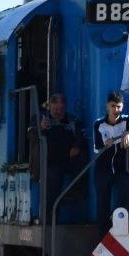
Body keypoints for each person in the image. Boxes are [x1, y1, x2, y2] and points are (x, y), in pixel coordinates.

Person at [92, 91, 129, 233]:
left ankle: (117, 221)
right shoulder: (99, 124)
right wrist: (107, 144)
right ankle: (102, 234)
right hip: (103, 168)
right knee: (102, 202)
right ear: (107, 106)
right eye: (113, 106)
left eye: (119, 106)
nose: (116, 110)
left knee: (126, 186)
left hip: (121, 168)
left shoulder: (127, 121)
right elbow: (96, 148)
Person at [38, 92, 88, 220]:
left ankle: (76, 192)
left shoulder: (73, 121)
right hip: (49, 161)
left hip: (68, 160)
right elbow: (31, 134)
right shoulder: (41, 119)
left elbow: (81, 138)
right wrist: (40, 128)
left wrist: (77, 146)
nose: (58, 108)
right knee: (53, 179)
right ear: (49, 105)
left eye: (61, 104)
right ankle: (50, 219)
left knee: (81, 160)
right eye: (55, 103)